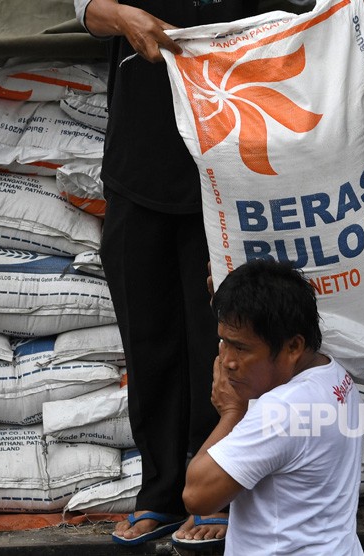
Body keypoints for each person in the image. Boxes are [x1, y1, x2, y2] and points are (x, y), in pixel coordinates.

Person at [73, 0, 258, 548]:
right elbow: (84, 6)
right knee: (148, 337)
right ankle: (159, 492)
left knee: (220, 342)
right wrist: (124, 17)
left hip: (227, 162)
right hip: (140, 163)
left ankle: (215, 490)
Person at [182, 258, 364, 554]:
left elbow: (197, 496)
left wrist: (232, 413)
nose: (227, 361)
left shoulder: (282, 411)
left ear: (293, 347)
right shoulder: (336, 374)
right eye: (223, 342)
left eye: (240, 347)